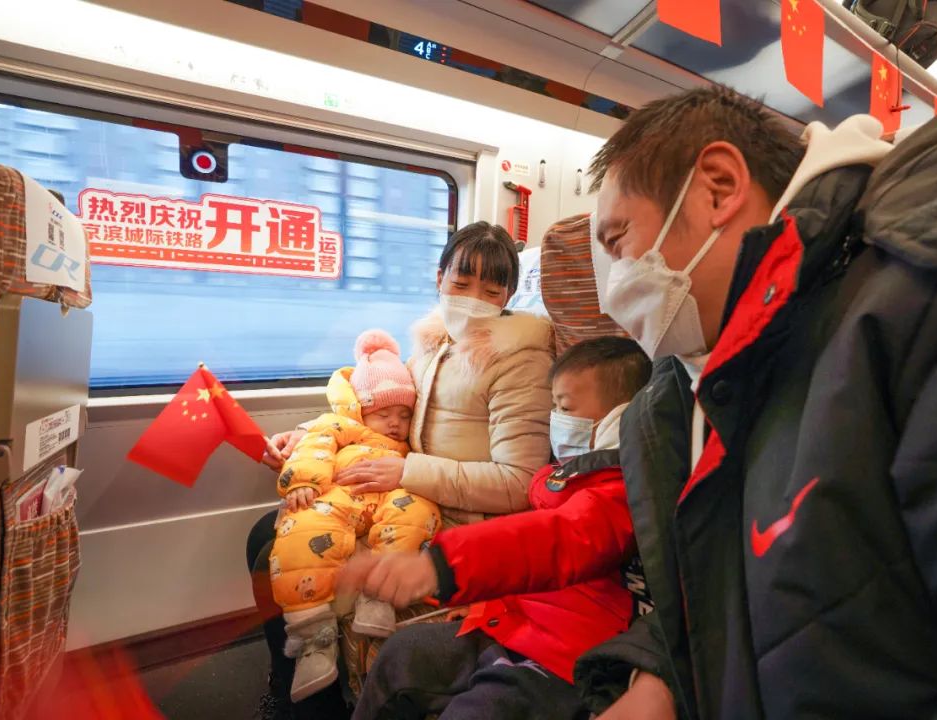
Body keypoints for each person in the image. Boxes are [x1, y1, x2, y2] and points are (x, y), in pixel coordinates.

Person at [572, 84, 937, 720]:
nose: (614, 288)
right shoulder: (693, 390)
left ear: (719, 188)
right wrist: (662, 675)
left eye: (617, 241)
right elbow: (736, 589)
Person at [248, 221, 554, 718]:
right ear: (439, 279)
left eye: (491, 291)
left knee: (281, 555)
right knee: (266, 533)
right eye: (461, 284)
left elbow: (519, 484)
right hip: (408, 493)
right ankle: (286, 690)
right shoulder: (431, 346)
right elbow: (385, 408)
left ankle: (314, 710)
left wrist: (407, 470)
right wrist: (306, 434)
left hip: (462, 519)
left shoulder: (520, 362)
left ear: (509, 297)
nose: (473, 301)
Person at [338, 337, 652, 720]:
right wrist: (488, 605)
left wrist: (440, 566)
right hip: (514, 625)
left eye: (566, 408)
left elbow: (554, 540)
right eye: (554, 407)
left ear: (621, 418)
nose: (556, 419)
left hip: (565, 658)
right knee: (401, 655)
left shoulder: (625, 492)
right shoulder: (564, 478)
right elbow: (527, 566)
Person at [267, 329, 441, 702]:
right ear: (361, 409)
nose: (394, 423)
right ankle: (313, 636)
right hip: (342, 496)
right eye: (383, 413)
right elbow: (315, 444)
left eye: (404, 414)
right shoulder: (345, 426)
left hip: (391, 495)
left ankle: (379, 594)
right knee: (302, 528)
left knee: (417, 511)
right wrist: (303, 481)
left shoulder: (409, 444)